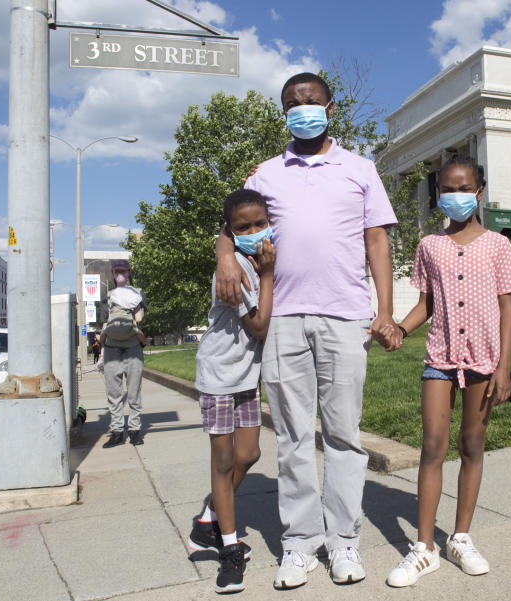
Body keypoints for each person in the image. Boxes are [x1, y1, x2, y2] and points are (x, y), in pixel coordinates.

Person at [214, 72, 399, 589]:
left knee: (343, 435)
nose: (303, 109)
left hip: (344, 314)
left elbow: (378, 243)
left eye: (311, 101)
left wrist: (384, 311)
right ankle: (299, 542)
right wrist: (226, 256)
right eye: (293, 104)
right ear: (284, 113)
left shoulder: (361, 169)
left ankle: (343, 542)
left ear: (330, 108)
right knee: (293, 436)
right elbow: (233, 223)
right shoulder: (267, 174)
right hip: (282, 318)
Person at [385, 156, 511, 587]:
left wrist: (503, 367)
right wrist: (400, 330)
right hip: (440, 357)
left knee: (472, 445)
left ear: (479, 192)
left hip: (484, 359)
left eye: (463, 188)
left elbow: (507, 309)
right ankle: (425, 548)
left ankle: (460, 537)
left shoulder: (499, 246)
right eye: (446, 189)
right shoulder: (429, 245)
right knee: (432, 446)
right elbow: (426, 305)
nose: (454, 196)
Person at [186, 189, 275, 594]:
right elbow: (258, 326)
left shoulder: (259, 255)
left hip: (245, 377)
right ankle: (228, 548)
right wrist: (269, 275)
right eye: (243, 227)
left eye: (259, 223)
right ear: (230, 232)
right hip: (221, 375)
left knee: (250, 453)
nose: (254, 231)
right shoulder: (237, 267)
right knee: (223, 461)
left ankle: (209, 516)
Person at [100, 260, 148, 448]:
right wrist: (102, 351)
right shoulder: (108, 296)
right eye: (116, 271)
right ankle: (117, 432)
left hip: (132, 347)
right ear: (112, 274)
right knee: (114, 393)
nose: (120, 274)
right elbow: (105, 324)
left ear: (129, 273)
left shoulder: (137, 292)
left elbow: (139, 318)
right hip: (113, 348)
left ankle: (135, 431)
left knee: (133, 392)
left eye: (123, 271)